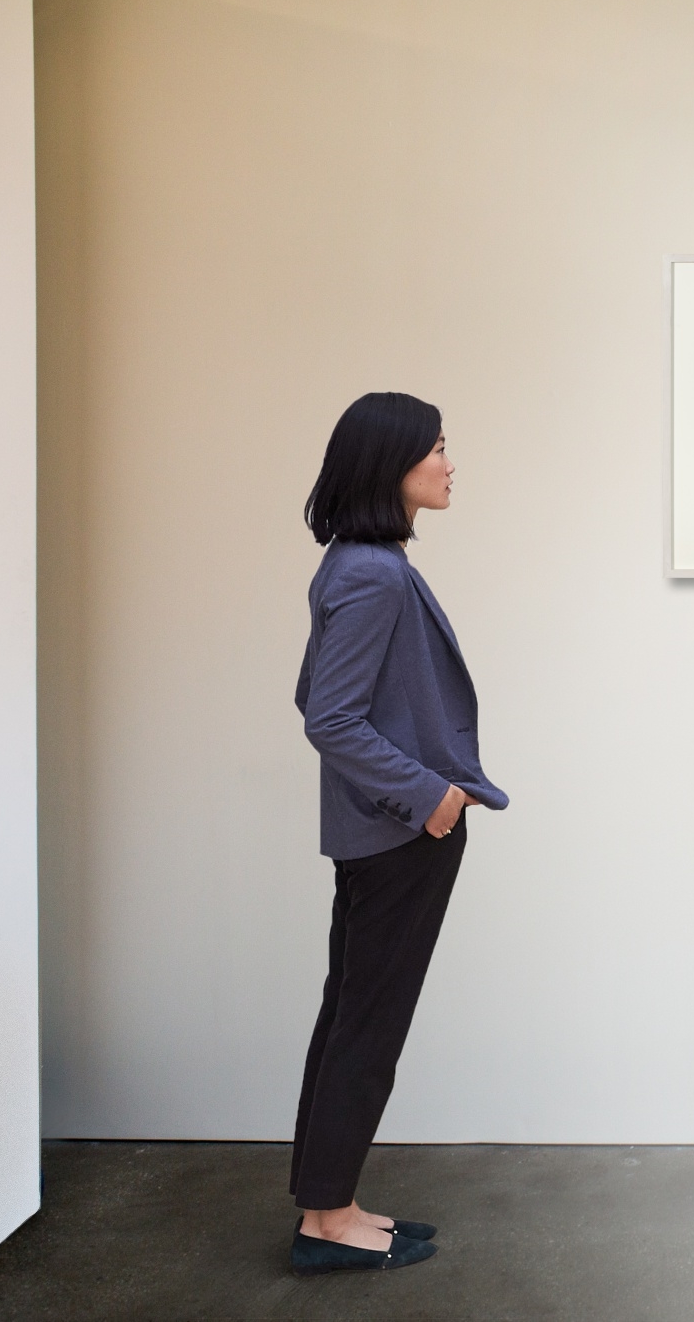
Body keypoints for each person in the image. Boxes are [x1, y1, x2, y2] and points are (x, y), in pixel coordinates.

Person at [287, 391, 509, 1275]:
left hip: (379, 833)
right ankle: (329, 1220)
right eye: (439, 448)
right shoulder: (373, 573)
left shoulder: (357, 561)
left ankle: (327, 1208)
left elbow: (314, 698)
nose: (451, 463)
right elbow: (331, 717)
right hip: (398, 836)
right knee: (367, 1026)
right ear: (394, 465)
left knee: (351, 1017)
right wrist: (431, 798)